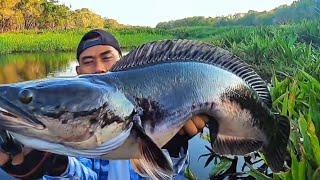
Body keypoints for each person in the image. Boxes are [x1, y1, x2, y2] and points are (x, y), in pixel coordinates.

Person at [0, 29, 206, 179]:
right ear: (78, 73)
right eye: (88, 61)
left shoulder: (154, 100)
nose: (99, 68)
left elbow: (167, 174)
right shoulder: (75, 126)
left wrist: (172, 149)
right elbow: (85, 176)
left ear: (124, 63)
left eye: (107, 58)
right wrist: (56, 165)